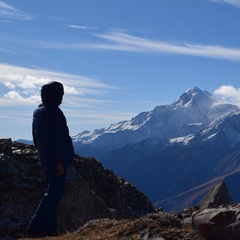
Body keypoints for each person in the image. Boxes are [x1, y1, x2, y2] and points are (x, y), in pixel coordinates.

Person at [27, 81, 74, 237]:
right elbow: (55, 139)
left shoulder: (38, 111)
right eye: (60, 93)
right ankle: (35, 227)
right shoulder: (54, 112)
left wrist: (45, 155)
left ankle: (50, 231)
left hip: (46, 159)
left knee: (52, 194)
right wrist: (59, 161)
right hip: (56, 162)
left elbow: (37, 138)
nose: (62, 97)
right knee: (53, 195)